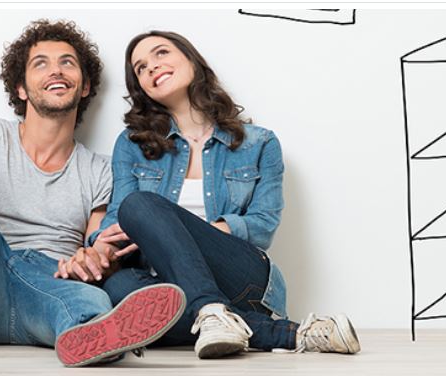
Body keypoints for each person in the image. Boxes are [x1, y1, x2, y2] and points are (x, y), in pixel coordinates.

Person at [0, 20, 186, 367]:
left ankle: (94, 333)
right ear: (20, 88)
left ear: (84, 86)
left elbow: (96, 244)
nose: (55, 71)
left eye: (67, 62)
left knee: (88, 303)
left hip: (46, 288)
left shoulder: (99, 170)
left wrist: (94, 259)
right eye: (40, 64)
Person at [54, 30, 361, 359]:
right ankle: (289, 332)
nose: (152, 68)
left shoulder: (259, 143)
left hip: (242, 276)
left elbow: (262, 225)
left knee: (141, 204)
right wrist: (98, 245)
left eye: (161, 54)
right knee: (119, 289)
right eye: (141, 68)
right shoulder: (132, 145)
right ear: (140, 86)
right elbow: (119, 217)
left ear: (191, 60)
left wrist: (186, 234)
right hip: (165, 284)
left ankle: (212, 306)